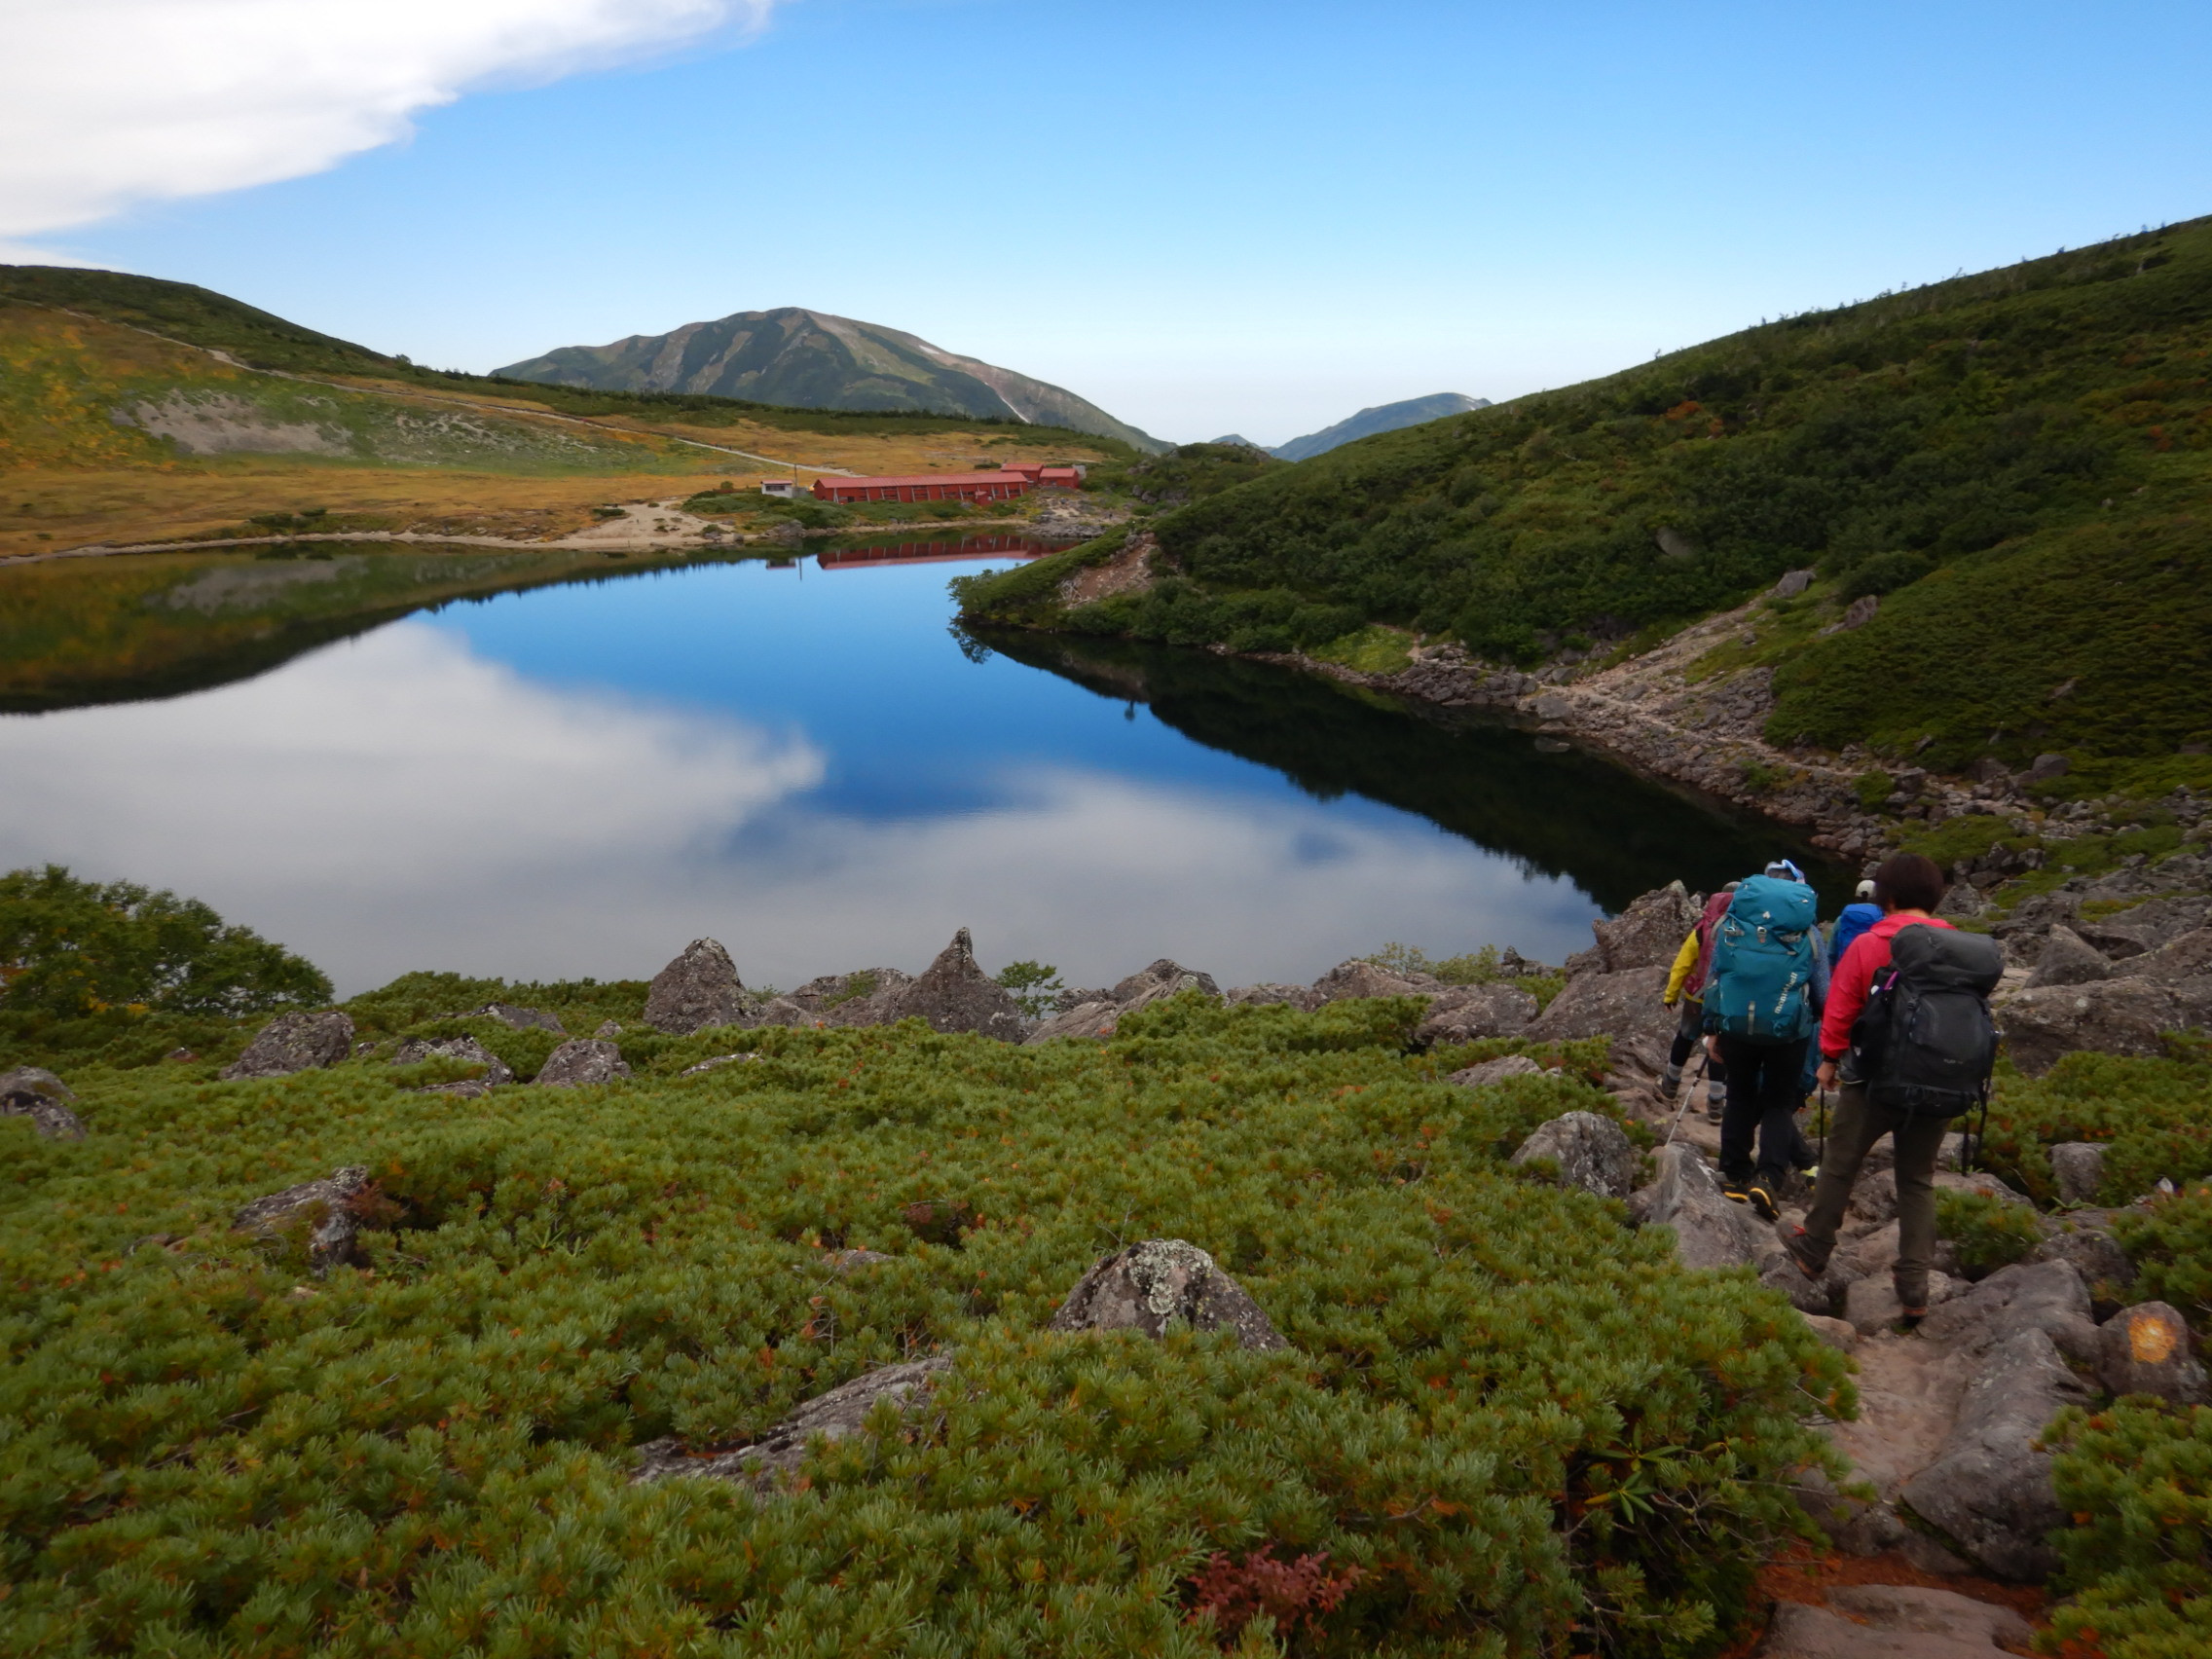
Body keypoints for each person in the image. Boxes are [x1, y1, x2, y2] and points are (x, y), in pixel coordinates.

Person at [1782, 852, 1956, 1324]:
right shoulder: (1958, 947)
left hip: (1875, 1079)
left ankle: (1814, 1248)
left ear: (1888, 896)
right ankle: (1915, 1283)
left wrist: (1829, 1060)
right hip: (1938, 1083)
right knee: (1917, 1180)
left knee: (1840, 1164)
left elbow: (1840, 1006)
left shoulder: (1872, 943)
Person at [1701, 866, 1827, 1222]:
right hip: (1788, 1033)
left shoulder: (1731, 926)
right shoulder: (1808, 933)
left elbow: (1715, 979)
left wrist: (1711, 1028)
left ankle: (1736, 1174)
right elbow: (1822, 994)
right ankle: (1769, 1178)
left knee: (1739, 1094)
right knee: (1778, 1103)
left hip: (1735, 1028)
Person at [1663, 881, 1738, 1123]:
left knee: (1685, 1037)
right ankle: (1716, 1105)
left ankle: (1670, 1085)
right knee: (1718, 1048)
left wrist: (1671, 994)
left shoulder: (1703, 929)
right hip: (1727, 1000)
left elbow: (1683, 964)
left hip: (1697, 996)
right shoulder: (1744, 931)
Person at [1829, 878, 1882, 968]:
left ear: (1856, 897)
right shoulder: (1882, 919)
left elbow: (1831, 953)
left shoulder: (1842, 919)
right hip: (1872, 971)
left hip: (1845, 968)